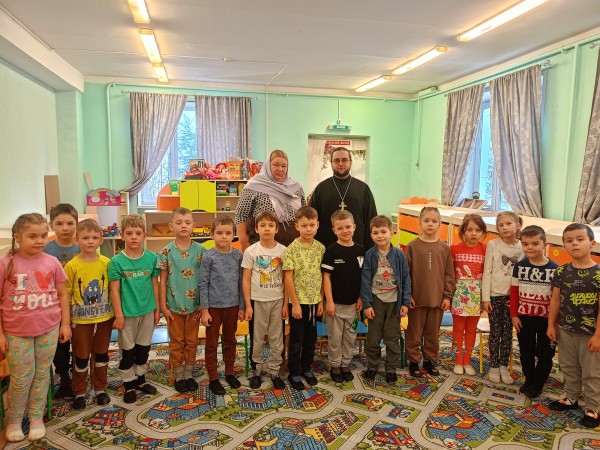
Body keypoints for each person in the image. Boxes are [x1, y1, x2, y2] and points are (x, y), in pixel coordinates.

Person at [0, 213, 71, 442]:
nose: (39, 241)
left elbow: (62, 294)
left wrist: (65, 324)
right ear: (17, 237)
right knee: (22, 377)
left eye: (43, 235)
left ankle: (36, 417)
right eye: (32, 236)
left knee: (42, 374)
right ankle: (14, 420)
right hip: (16, 332)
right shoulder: (5, 263)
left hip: (48, 328)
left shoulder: (52, 262)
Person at [547, 223, 600, 428]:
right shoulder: (561, 271)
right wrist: (551, 325)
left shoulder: (598, 274)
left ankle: (594, 407)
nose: (574, 244)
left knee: (591, 370)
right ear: (564, 246)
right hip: (565, 329)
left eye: (580, 239)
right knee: (568, 365)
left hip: (590, 333)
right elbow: (555, 300)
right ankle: (571, 396)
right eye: (569, 241)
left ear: (592, 243)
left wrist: (597, 335)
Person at [108, 214, 160, 404]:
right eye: (129, 233)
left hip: (147, 310)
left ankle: (140, 379)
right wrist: (118, 315)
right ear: (122, 235)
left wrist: (157, 309)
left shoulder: (152, 258)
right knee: (128, 350)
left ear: (144, 235)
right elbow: (114, 290)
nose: (134, 237)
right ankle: (128, 383)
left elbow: (155, 284)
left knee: (143, 348)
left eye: (138, 233)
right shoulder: (116, 262)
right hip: (127, 313)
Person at [65, 219, 114, 410]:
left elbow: (114, 289)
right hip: (80, 320)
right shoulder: (72, 266)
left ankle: (100, 388)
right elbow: (66, 295)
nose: (90, 241)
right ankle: (79, 391)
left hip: (104, 318)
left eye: (95, 237)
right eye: (85, 238)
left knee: (101, 354)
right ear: (76, 239)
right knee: (81, 355)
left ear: (101, 240)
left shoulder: (107, 263)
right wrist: (66, 321)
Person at [158, 207, 205, 393]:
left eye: (187, 222)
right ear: (171, 226)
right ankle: (178, 374)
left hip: (195, 306)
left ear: (193, 225)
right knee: (176, 342)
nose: (183, 226)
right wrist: (163, 306)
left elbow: (205, 279)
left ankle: (189, 373)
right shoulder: (166, 252)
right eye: (178, 223)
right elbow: (162, 281)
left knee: (192, 341)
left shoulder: (201, 251)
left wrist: (203, 304)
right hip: (173, 306)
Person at [406, 207, 455, 378]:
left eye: (434, 221)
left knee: (432, 333)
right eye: (426, 220)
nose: (430, 224)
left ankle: (429, 360)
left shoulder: (444, 248)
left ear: (440, 224)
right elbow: (406, 274)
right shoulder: (412, 246)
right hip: (416, 299)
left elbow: (449, 274)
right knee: (414, 332)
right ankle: (413, 361)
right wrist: (408, 295)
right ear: (420, 222)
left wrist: (447, 296)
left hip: (437, 299)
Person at [510, 225, 557, 399]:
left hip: (546, 319)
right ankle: (529, 379)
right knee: (526, 350)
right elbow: (514, 292)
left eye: (535, 243)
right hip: (524, 317)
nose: (530, 247)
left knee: (545, 352)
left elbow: (557, 298)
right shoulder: (519, 266)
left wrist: (554, 322)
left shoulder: (555, 269)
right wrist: (514, 315)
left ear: (544, 244)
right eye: (525, 244)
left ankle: (538, 384)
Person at [361, 215, 410, 383]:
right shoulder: (370, 255)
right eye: (375, 232)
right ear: (371, 234)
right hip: (376, 301)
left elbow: (406, 279)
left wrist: (405, 303)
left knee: (392, 337)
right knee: (373, 338)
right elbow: (365, 280)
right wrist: (367, 304)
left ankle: (391, 368)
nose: (380, 236)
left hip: (394, 303)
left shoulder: (399, 255)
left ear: (392, 232)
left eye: (383, 231)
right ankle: (372, 366)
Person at [199, 216, 245, 395]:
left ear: (233, 234)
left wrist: (241, 307)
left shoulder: (238, 256)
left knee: (230, 340)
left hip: (232, 306)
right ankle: (213, 378)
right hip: (213, 308)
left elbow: (241, 283)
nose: (224, 236)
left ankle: (229, 372)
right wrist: (204, 310)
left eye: (228, 233)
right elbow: (203, 284)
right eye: (219, 233)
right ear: (212, 235)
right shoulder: (208, 256)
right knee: (211, 343)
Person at [242, 211, 287, 390]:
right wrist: (248, 305)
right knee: (257, 337)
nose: (266, 229)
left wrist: (285, 304)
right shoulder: (251, 251)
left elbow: (287, 279)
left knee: (277, 338)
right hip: (257, 301)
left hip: (277, 300)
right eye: (262, 225)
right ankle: (257, 370)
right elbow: (246, 279)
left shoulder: (283, 251)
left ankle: (274, 370)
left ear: (276, 229)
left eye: (270, 225)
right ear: (256, 229)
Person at [283, 206, 325, 390]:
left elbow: (322, 276)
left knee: (311, 338)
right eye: (304, 225)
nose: (308, 229)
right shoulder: (291, 250)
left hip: (315, 301)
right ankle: (294, 372)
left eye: (312, 225)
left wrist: (321, 300)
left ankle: (306, 368)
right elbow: (288, 278)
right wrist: (295, 304)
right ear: (297, 226)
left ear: (318, 225)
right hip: (298, 303)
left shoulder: (321, 248)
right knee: (296, 340)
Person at [322, 210, 364, 383]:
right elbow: (326, 277)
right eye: (340, 228)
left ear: (354, 227)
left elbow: (363, 277)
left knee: (350, 336)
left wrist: (361, 297)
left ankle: (345, 364)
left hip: (353, 306)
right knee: (335, 338)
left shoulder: (360, 250)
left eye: (348, 227)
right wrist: (329, 302)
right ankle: (335, 365)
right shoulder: (331, 251)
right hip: (335, 306)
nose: (345, 231)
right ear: (334, 230)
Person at [482, 211, 523, 385]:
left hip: (512, 298)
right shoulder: (493, 244)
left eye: (508, 224)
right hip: (494, 295)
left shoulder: (522, 247)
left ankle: (503, 366)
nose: (505, 227)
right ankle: (493, 365)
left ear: (517, 225)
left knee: (507, 333)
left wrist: (518, 299)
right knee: (495, 331)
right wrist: (486, 298)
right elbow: (487, 272)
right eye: (501, 225)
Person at [235, 149, 306, 250]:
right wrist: (245, 243)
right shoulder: (254, 186)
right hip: (262, 247)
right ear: (267, 165)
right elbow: (241, 215)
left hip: (292, 247)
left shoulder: (296, 187)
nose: (280, 169)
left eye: (284, 166)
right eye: (276, 165)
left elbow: (304, 214)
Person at [44, 203, 79, 400]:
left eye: (70, 223)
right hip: (55, 307)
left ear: (76, 224)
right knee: (60, 347)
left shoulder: (82, 245)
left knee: (80, 345)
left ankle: (78, 377)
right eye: (59, 223)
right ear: (51, 225)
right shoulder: (47, 249)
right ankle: (64, 378)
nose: (65, 228)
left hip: (81, 305)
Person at [311, 147, 377, 249]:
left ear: (351, 162)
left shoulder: (363, 189)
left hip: (358, 249)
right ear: (331, 163)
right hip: (327, 248)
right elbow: (312, 221)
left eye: (344, 160)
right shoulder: (321, 189)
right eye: (336, 160)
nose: (340, 163)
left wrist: (370, 251)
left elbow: (371, 221)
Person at [451, 214, 487, 376]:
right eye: (469, 229)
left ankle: (467, 360)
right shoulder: (454, 249)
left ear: (483, 233)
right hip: (459, 294)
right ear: (462, 231)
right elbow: (449, 273)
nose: (474, 233)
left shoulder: (485, 250)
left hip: (477, 295)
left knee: (471, 329)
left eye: (478, 230)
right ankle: (458, 360)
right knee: (458, 329)